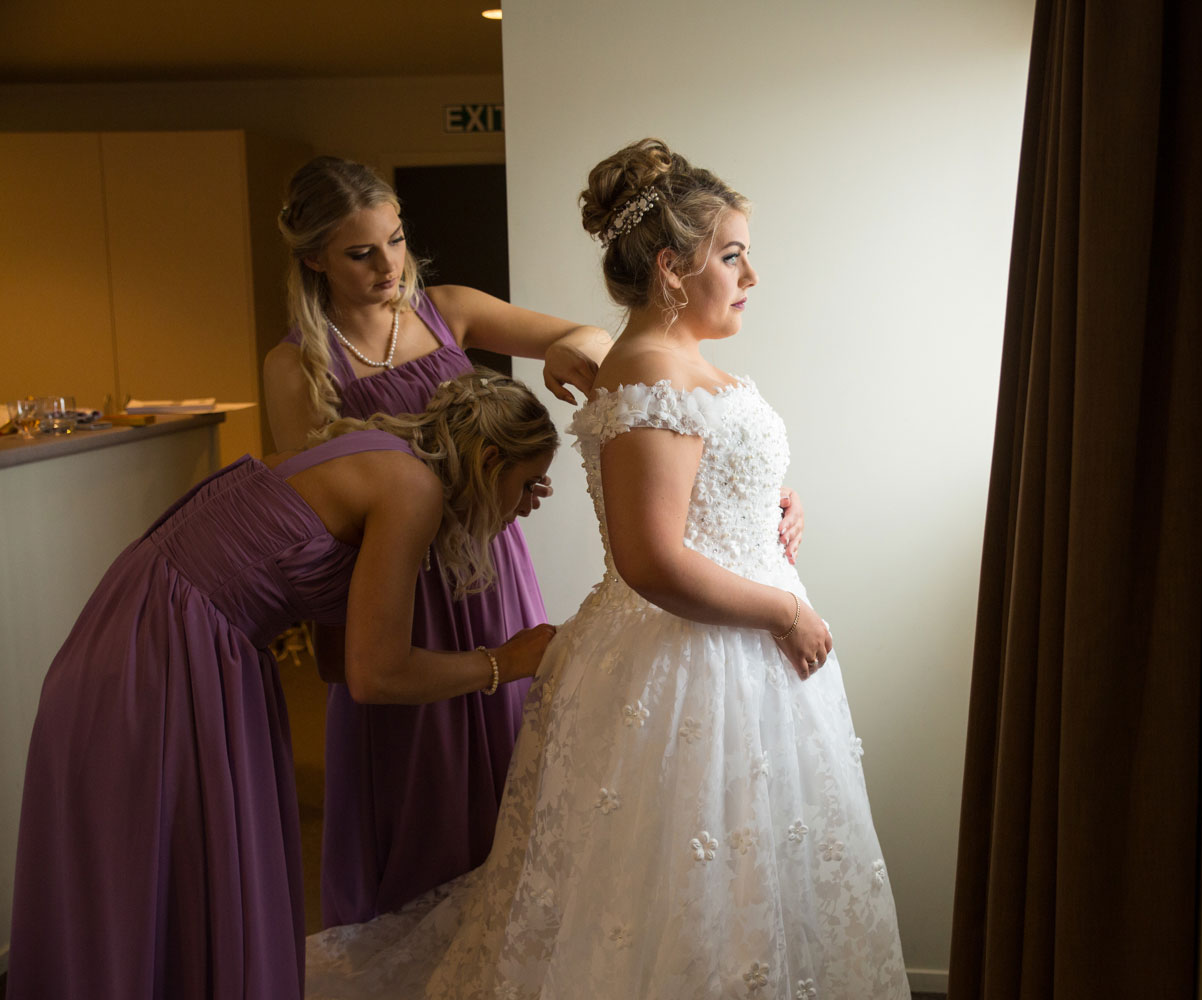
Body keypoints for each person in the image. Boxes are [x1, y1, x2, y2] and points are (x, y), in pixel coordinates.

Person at [305, 139, 909, 999]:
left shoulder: (676, 363)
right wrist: (784, 615)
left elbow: (705, 483)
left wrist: (771, 500)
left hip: (735, 651)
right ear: (671, 268)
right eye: (731, 255)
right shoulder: (650, 373)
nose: (751, 274)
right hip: (695, 663)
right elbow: (651, 559)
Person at [6, 372, 560, 999]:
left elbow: (333, 660)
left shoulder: (373, 454)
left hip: (139, 632)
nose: (526, 504)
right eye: (524, 483)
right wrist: (505, 662)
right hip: (165, 657)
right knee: (154, 869)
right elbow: (374, 675)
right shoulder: (412, 488)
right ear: (488, 459)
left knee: (161, 875)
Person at [261, 155, 617, 928]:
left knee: (512, 752)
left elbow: (594, 335)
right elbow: (315, 520)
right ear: (315, 256)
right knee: (417, 776)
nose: (389, 265)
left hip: (489, 576)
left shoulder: (446, 310)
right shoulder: (296, 365)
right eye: (362, 252)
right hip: (396, 589)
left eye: (395, 240)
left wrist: (561, 356)